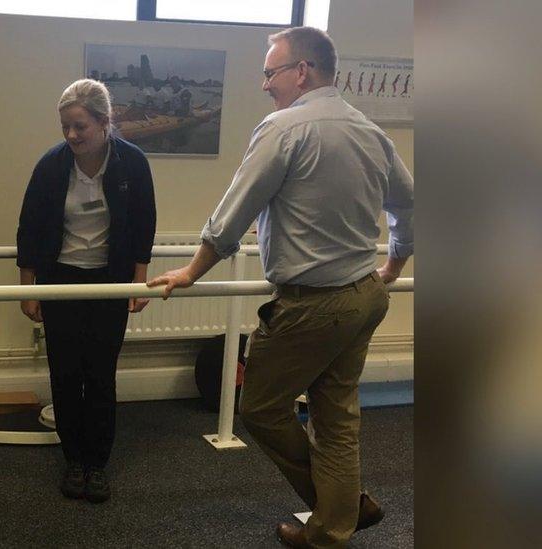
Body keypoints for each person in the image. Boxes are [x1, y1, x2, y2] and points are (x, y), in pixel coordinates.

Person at [148, 27, 413, 548]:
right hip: (363, 295)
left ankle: (341, 508)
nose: (265, 84)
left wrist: (190, 272)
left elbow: (233, 212)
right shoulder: (368, 130)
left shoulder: (284, 128)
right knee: (335, 419)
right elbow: (407, 203)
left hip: (312, 305)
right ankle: (337, 519)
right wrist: (394, 265)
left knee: (260, 409)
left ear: (302, 71)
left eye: (271, 72)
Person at [16, 79, 157, 504]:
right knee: (65, 372)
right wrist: (28, 289)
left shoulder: (132, 163)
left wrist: (139, 278)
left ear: (104, 121)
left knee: (99, 375)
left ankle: (97, 463)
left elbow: (143, 222)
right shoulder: (51, 166)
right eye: (65, 128)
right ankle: (73, 459)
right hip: (61, 280)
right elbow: (29, 230)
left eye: (80, 126)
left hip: (109, 281)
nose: (72, 136)